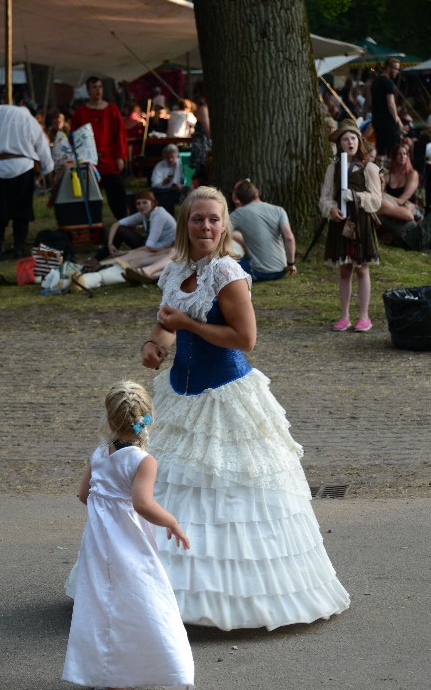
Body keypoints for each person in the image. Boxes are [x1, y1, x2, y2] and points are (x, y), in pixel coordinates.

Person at [140, 186, 350, 631]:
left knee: (228, 492)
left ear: (224, 226)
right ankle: (162, 590)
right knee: (176, 484)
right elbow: (166, 325)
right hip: (179, 393)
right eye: (198, 219)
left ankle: (233, 599)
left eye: (214, 219)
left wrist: (186, 324)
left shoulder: (227, 273)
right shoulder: (178, 270)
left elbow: (245, 339)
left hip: (225, 392)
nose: (206, 226)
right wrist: (155, 344)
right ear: (185, 223)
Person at [62, 381, 194, 690]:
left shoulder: (97, 455)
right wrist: (172, 522)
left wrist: (104, 508)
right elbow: (142, 503)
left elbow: (83, 494)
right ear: (148, 419)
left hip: (99, 543)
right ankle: (152, 666)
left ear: (109, 423)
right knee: (143, 600)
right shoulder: (142, 461)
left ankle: (114, 684)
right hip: (130, 543)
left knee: (103, 604)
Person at [320, 119, 382, 332]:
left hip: (361, 222)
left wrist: (356, 197)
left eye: (353, 138)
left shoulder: (369, 168)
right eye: (345, 139)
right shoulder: (333, 168)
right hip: (340, 222)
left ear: (359, 141)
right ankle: (344, 315)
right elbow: (324, 197)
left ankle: (364, 316)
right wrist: (331, 209)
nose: (350, 142)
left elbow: (376, 199)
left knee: (362, 269)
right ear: (340, 143)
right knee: (345, 270)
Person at [0, 103, 54, 260]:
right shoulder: (33, 123)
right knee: (21, 211)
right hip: (23, 167)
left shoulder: (3, 110)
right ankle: (18, 248)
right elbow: (44, 150)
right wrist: (48, 174)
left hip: (2, 167)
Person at [70, 76, 128, 220]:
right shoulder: (81, 112)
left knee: (117, 193)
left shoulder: (112, 110)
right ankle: (95, 225)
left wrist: (120, 156)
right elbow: (74, 136)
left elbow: (120, 134)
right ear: (88, 90)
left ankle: (123, 222)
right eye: (94, 87)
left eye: (100, 87)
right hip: (89, 163)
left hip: (109, 160)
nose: (98, 90)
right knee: (92, 197)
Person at [230, 179, 297, 281]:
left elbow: (219, 232)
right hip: (281, 271)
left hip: (258, 272)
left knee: (227, 262)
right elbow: (289, 238)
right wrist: (291, 264)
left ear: (238, 198)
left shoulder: (237, 214)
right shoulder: (278, 210)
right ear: (256, 192)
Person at [96, 189, 175, 260]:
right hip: (149, 245)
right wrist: (110, 244)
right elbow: (116, 224)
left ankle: (100, 259)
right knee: (120, 230)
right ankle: (99, 258)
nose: (141, 206)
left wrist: (124, 252)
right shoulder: (145, 213)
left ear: (153, 203)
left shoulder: (159, 216)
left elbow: (150, 247)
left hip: (160, 249)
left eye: (145, 202)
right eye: (138, 204)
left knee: (123, 244)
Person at [371, 59, 404, 167]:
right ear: (389, 68)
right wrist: (397, 119)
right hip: (388, 121)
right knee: (395, 149)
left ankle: (381, 172)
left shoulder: (375, 82)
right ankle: (395, 174)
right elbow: (391, 103)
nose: (397, 71)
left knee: (381, 149)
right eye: (396, 69)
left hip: (376, 120)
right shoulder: (388, 82)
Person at [150, 143, 185, 216]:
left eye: (172, 157)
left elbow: (188, 179)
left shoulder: (182, 164)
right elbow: (154, 184)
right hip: (164, 191)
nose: (170, 159)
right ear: (164, 157)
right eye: (168, 157)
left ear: (177, 155)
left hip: (180, 190)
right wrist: (164, 183)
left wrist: (181, 185)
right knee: (163, 196)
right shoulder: (160, 166)